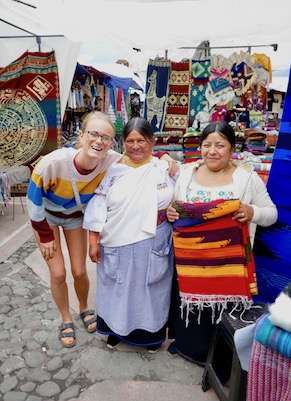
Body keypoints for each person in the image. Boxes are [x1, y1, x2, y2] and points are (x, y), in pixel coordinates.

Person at [27, 111, 176, 348]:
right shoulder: (54, 163)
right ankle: (66, 319)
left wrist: (166, 157)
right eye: (93, 134)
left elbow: (146, 158)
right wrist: (46, 237)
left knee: (79, 271)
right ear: (82, 135)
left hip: (75, 218)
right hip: (46, 218)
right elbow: (34, 202)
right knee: (57, 273)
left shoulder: (115, 160)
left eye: (105, 137)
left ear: (111, 142)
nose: (99, 141)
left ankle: (85, 309)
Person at [166, 121, 277, 367]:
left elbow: (272, 213)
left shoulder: (247, 179)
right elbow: (174, 207)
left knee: (223, 315)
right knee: (192, 312)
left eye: (220, 145)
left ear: (232, 148)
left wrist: (252, 212)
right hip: (192, 264)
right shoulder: (186, 173)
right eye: (207, 145)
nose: (212, 151)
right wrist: (171, 212)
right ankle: (189, 348)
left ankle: (220, 359)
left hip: (229, 265)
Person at [83, 117, 175, 352]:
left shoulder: (164, 168)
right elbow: (98, 204)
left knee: (150, 289)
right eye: (130, 141)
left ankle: (150, 336)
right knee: (117, 287)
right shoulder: (113, 170)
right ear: (123, 142)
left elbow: (181, 196)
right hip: (116, 240)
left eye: (141, 140)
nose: (135, 146)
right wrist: (93, 240)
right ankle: (115, 331)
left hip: (154, 241)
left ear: (152, 141)